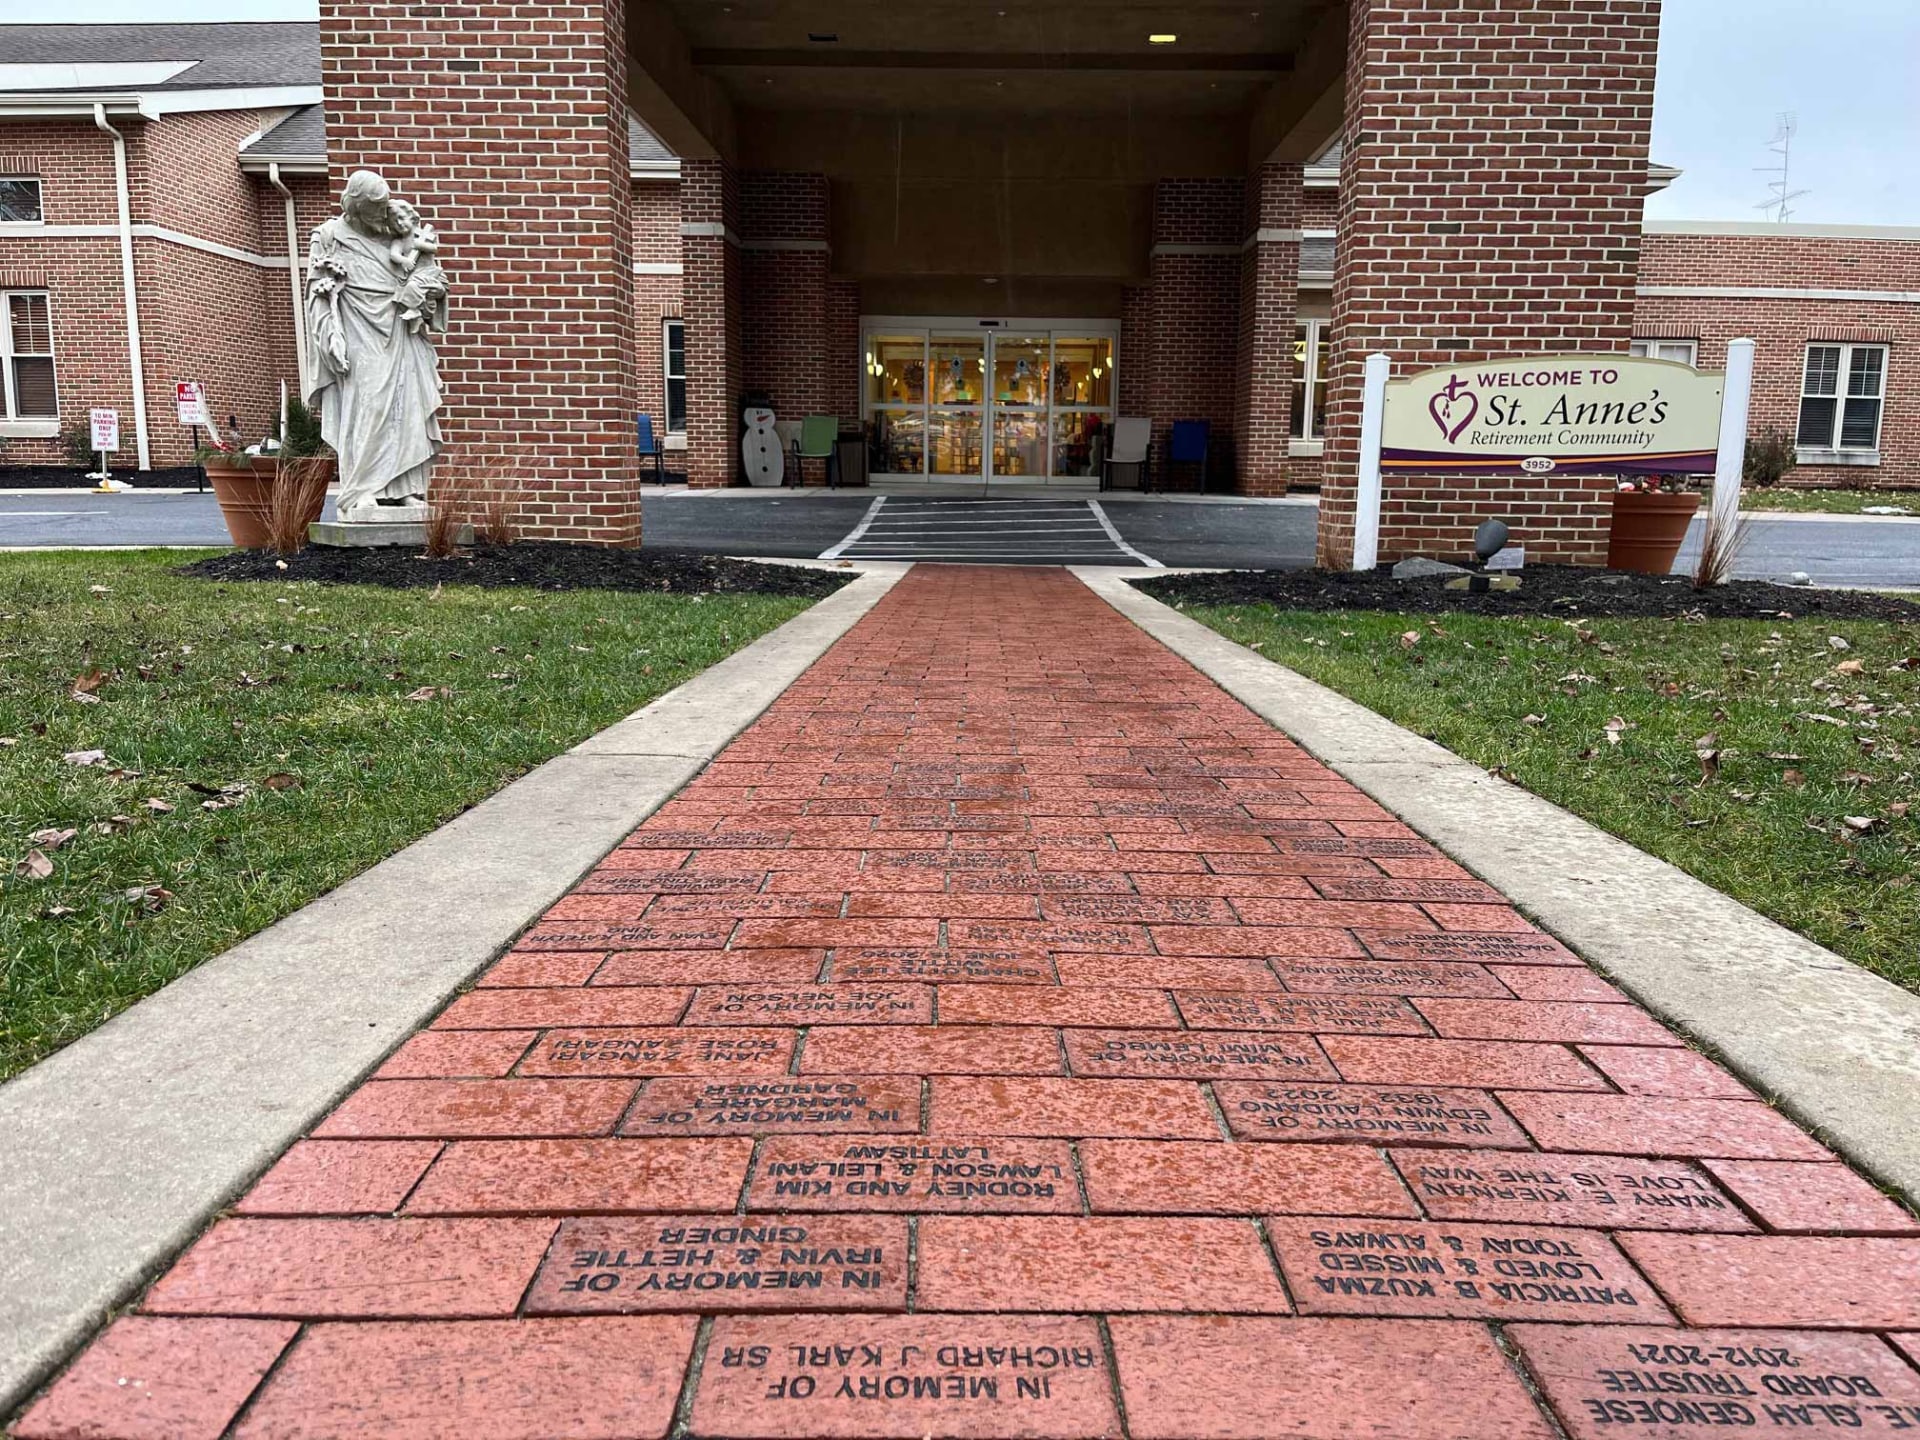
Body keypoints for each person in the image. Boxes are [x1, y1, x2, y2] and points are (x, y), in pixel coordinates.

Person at [303, 170, 448, 520]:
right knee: (368, 404)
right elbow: (317, 295)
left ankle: (406, 490)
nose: (380, 215)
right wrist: (330, 336)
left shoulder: (394, 233)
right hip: (358, 330)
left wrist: (427, 292)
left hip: (400, 329)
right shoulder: (328, 237)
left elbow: (426, 271)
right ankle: (363, 490)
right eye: (374, 209)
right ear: (355, 206)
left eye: (383, 207)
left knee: (407, 406)